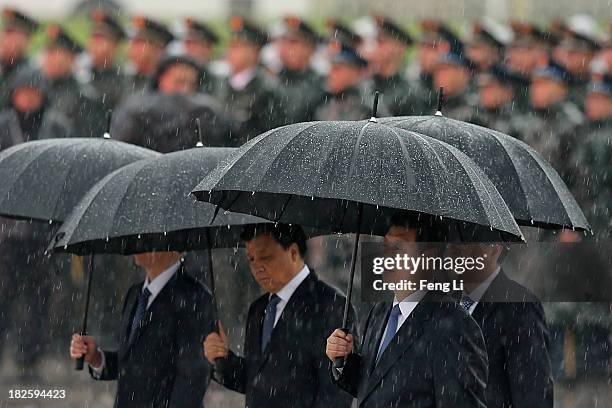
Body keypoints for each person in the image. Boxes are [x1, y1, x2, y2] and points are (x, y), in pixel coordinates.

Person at [326, 214, 488, 407]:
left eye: (398, 249)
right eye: (385, 247)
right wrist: (343, 360)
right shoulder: (379, 312)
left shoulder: (455, 328)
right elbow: (374, 387)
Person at [204, 224, 356, 408]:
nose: (256, 267)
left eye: (265, 257)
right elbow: (256, 380)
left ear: (292, 252)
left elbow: (336, 392)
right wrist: (222, 359)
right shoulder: (258, 310)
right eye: (251, 259)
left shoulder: (331, 306)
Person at [70, 251, 215, 408]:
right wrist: (98, 358)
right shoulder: (135, 294)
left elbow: (193, 378)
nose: (136, 244)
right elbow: (133, 363)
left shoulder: (195, 297)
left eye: (146, 239)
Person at [445, 243, 554, 408]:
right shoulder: (444, 303)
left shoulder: (520, 306)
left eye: (467, 240)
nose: (455, 248)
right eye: (454, 239)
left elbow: (533, 395)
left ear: (495, 248)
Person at [112, 53, 228, 151]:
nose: (184, 89)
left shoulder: (202, 112)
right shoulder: (137, 109)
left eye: (190, 84)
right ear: (161, 79)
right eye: (179, 82)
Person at [510, 59, 585, 184]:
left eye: (543, 84)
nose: (535, 89)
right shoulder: (526, 120)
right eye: (534, 84)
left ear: (561, 89)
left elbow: (579, 175)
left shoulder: (573, 123)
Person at [216, 16, 279, 146]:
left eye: (238, 47)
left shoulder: (266, 87)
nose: (231, 52)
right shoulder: (219, 83)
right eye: (231, 46)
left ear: (255, 52)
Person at [571, 75, 612, 240]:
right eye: (590, 98)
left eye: (599, 99)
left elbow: (601, 188)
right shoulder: (583, 132)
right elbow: (578, 181)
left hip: (602, 224)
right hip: (586, 218)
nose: (591, 104)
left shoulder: (605, 137)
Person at [365, 15, 425, 116]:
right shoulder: (366, 85)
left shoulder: (409, 94)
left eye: (381, 42)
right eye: (375, 42)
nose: (375, 48)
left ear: (399, 47)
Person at [0, 67, 72, 147]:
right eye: (23, 92)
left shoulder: (57, 125)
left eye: (33, 93)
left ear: (43, 96)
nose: (28, 98)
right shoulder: (3, 124)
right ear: (13, 95)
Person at [41, 24, 95, 132]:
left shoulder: (83, 95)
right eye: (48, 53)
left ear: (71, 58)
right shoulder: (38, 90)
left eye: (55, 53)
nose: (49, 59)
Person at [274, 16, 326, 124]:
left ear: (310, 48)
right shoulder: (272, 79)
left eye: (293, 42)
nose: (286, 47)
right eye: (284, 41)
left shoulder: (321, 84)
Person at [79, 10, 128, 116]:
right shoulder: (80, 76)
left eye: (100, 39)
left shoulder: (124, 81)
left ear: (114, 46)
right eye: (93, 38)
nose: (94, 45)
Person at [315, 41, 377, 121]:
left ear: (354, 73)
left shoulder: (367, 108)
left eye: (337, 69)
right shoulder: (323, 103)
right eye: (331, 68)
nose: (330, 74)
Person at [552, 14, 601, 110]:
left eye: (576, 50)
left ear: (592, 53)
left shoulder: (598, 86)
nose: (568, 54)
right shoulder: (559, 79)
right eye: (566, 47)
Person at [470, 64, 528, 134]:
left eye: (489, 88)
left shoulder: (520, 120)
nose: (484, 93)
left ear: (507, 90)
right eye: (481, 88)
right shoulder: (474, 116)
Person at [0, 8, 38, 108]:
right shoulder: (3, 67)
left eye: (11, 32)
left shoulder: (33, 75)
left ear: (27, 40)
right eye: (5, 32)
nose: (5, 38)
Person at [126, 15, 173, 95]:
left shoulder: (167, 86)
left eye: (139, 42)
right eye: (133, 42)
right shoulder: (124, 81)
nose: (132, 48)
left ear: (159, 49)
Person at [432, 49, 476, 121]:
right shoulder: (429, 104)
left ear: (462, 73)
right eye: (437, 70)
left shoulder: (472, 110)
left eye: (445, 70)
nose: (440, 75)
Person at [182, 17, 220, 95]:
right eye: (188, 43)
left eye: (195, 44)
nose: (189, 48)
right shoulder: (179, 74)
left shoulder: (216, 77)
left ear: (208, 49)